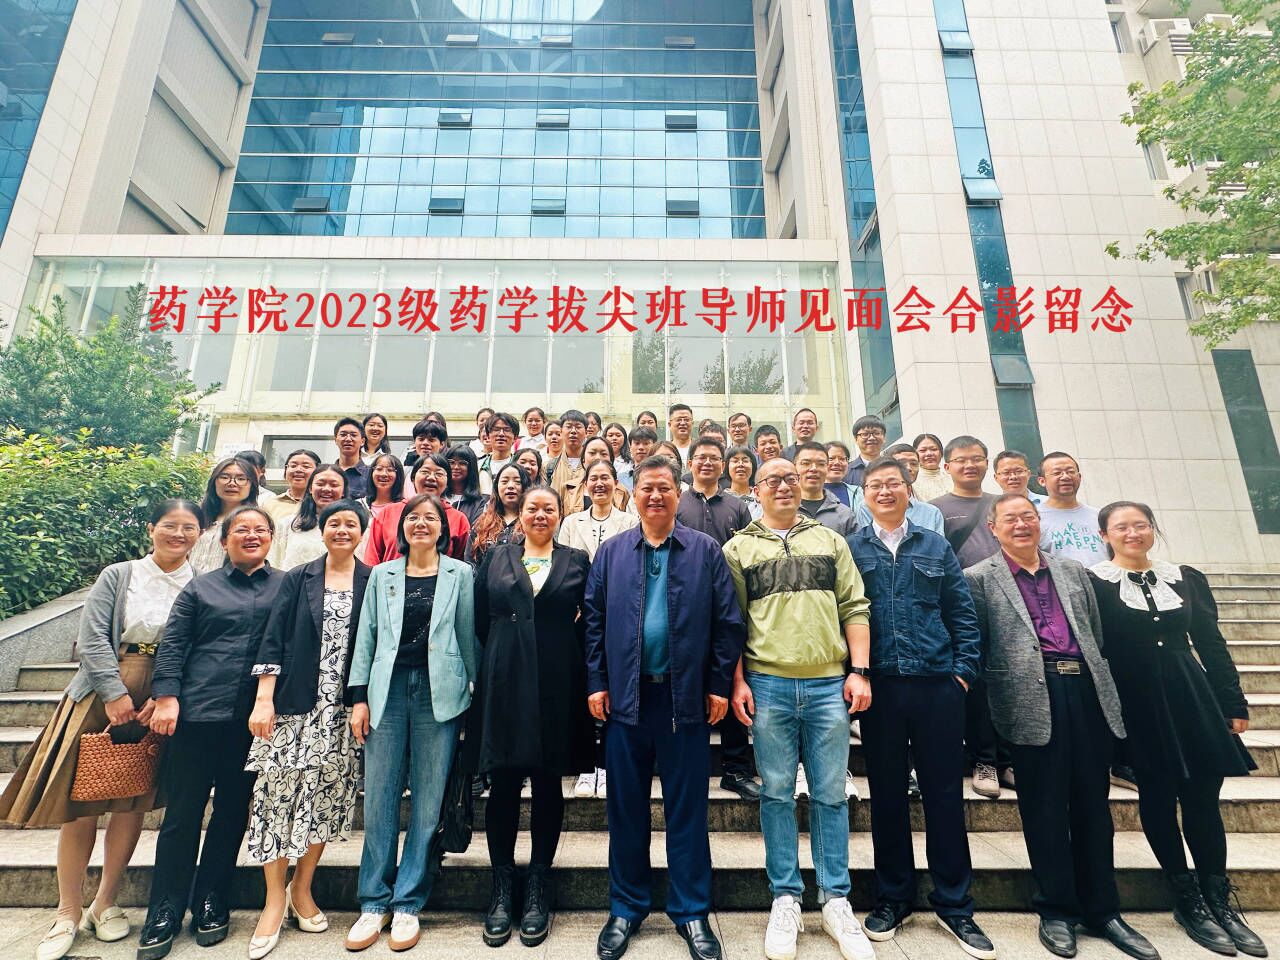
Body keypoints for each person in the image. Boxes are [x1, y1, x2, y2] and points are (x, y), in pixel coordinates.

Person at [0, 500, 202, 960]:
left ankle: (105, 901)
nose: (178, 534)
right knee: (82, 804)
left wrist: (165, 695)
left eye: (188, 527)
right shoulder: (119, 574)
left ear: (200, 533)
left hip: (161, 695)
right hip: (100, 691)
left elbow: (197, 645)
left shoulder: (199, 582)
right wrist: (114, 694)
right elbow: (93, 637)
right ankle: (66, 910)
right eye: (169, 525)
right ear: (151, 528)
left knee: (131, 803)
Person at [965, 495, 1157, 960]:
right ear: (993, 528)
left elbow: (1094, 633)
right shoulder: (978, 579)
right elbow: (981, 647)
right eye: (1010, 519)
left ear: (1040, 522)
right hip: (1029, 698)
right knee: (1044, 809)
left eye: (1028, 517)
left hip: (1086, 692)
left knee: (1094, 807)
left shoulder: (1073, 571)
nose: (1021, 525)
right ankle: (1055, 910)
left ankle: (1104, 910)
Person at [584, 456, 745, 960]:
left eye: (664, 488)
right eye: (646, 488)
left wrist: (718, 684)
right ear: (633, 495)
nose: (655, 496)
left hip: (685, 701)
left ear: (679, 494)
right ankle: (626, 908)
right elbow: (593, 620)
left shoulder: (705, 551)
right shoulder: (611, 553)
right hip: (626, 702)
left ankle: (692, 911)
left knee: (688, 813)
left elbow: (728, 623)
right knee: (626, 811)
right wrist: (597, 682)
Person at [1090, 502, 1265, 958]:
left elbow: (1211, 642)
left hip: (1191, 695)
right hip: (1138, 701)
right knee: (1158, 797)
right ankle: (1186, 898)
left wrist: (1232, 701)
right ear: (1105, 535)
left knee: (1204, 798)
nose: (1133, 533)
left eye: (1141, 525)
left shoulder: (1184, 577)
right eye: (1121, 527)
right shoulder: (1095, 583)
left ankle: (1219, 899)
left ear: (1153, 529)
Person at [725, 456, 874, 960]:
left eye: (791, 477)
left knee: (831, 794)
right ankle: (786, 897)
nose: (784, 485)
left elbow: (855, 605)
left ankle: (836, 900)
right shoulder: (738, 548)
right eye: (773, 480)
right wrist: (738, 681)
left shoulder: (830, 541)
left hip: (829, 684)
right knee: (776, 794)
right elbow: (732, 622)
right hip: (768, 684)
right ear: (756, 490)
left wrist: (859, 670)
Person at [845, 459, 994, 958]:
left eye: (893, 484)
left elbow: (961, 612)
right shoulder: (852, 548)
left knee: (944, 796)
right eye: (874, 485)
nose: (884, 491)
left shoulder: (934, 545)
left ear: (910, 491)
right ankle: (894, 898)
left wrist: (962, 673)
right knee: (887, 796)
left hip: (937, 686)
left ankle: (955, 904)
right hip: (881, 689)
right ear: (864, 495)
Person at [137, 506, 283, 960]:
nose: (251, 536)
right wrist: (166, 696)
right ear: (224, 541)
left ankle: (211, 899)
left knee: (231, 814)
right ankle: (164, 908)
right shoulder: (202, 587)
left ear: (271, 538)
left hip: (251, 723)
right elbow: (174, 644)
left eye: (260, 530)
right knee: (182, 815)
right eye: (242, 530)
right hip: (197, 715)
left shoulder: (286, 586)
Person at [344, 493, 477, 952]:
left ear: (444, 528)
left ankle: (408, 902)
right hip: (387, 692)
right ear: (401, 527)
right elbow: (366, 637)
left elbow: (467, 635)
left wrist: (472, 696)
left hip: (440, 694)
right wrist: (358, 698)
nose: (421, 524)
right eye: (413, 517)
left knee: (427, 800)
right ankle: (373, 901)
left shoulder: (461, 574)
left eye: (430, 518)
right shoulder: (382, 574)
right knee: (380, 797)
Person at [243, 500, 371, 959]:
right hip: (293, 707)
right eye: (334, 523)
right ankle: (273, 900)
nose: (342, 530)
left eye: (351, 524)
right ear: (322, 529)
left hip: (342, 713)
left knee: (325, 800)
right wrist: (264, 698)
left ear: (363, 532)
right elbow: (273, 636)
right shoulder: (299, 577)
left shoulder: (372, 580)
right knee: (276, 799)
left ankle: (302, 887)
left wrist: (362, 699)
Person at [473, 486, 594, 949]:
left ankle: (539, 884)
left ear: (560, 514)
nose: (540, 515)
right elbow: (480, 619)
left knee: (547, 781)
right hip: (505, 676)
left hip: (556, 679)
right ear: (519, 514)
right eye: (532, 508)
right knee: (504, 782)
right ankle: (503, 886)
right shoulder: (496, 557)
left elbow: (589, 620)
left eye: (549, 508)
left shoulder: (577, 560)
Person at [674, 437, 760, 805]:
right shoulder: (678, 502)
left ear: (722, 467)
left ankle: (736, 769)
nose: (707, 463)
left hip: (728, 603)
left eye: (714, 458)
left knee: (731, 679)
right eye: (701, 457)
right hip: (685, 603)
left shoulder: (737, 506)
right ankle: (684, 763)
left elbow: (749, 549)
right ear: (690, 463)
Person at [931, 436, 1006, 799]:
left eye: (977, 459)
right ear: (947, 467)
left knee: (1009, 679)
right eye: (961, 460)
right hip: (961, 603)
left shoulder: (1002, 504)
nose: (969, 465)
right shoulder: (936, 509)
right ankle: (984, 760)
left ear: (987, 462)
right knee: (974, 682)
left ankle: (1010, 758)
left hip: (1008, 599)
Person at [363, 455, 471, 563]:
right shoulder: (387, 513)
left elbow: (461, 564)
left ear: (447, 482)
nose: (431, 477)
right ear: (413, 478)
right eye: (425, 472)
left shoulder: (459, 519)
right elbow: (371, 560)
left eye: (439, 474)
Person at [852, 443, 945, 535]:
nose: (909, 468)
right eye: (901, 463)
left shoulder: (931, 512)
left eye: (914, 464)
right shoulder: (867, 507)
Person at [270, 465, 349, 571]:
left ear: (343, 491)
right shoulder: (287, 524)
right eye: (320, 484)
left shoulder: (353, 528)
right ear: (310, 488)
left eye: (334, 485)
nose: (326, 489)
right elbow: (274, 562)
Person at [190, 456, 259, 574]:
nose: (232, 483)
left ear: (251, 486)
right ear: (214, 482)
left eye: (241, 478)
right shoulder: (196, 517)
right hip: (189, 583)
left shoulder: (256, 522)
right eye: (224, 477)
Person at [559, 460, 639, 561]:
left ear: (615, 483)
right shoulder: (570, 523)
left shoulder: (631, 523)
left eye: (604, 478)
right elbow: (563, 562)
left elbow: (633, 560)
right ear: (585, 485)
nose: (599, 484)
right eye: (593, 479)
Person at [1037, 452, 1107, 567]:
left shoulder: (1100, 516)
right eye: (1057, 473)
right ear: (1042, 481)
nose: (1065, 477)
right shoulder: (1034, 519)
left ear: (1079, 477)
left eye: (1070, 471)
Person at [466, 462, 529, 565]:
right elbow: (470, 562)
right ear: (496, 487)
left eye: (517, 482)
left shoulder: (532, 523)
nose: (510, 486)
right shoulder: (481, 523)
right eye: (504, 481)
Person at [793, 442, 858, 537]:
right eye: (806, 463)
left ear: (827, 468)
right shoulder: (783, 510)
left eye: (821, 464)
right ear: (794, 467)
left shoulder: (845, 514)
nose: (814, 469)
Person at [263, 450, 320, 527]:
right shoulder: (270, 503)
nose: (298, 470)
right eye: (293, 466)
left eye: (306, 466)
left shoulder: (322, 503)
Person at [545, 409, 588, 504]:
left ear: (586, 432)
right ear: (561, 431)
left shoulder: (593, 466)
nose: (573, 431)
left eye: (578, 427)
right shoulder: (549, 466)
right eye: (568, 427)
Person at [444, 444, 491, 524]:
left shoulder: (480, 503)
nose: (456, 467)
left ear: (471, 468)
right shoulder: (437, 496)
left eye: (462, 463)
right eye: (451, 462)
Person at [333, 418, 372, 501]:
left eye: (353, 435)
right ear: (335, 440)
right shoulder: (327, 473)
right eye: (343, 435)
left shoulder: (371, 475)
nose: (348, 439)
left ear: (362, 441)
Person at [362, 453, 406, 522]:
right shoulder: (360, 505)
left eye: (390, 470)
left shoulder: (405, 508)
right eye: (379, 469)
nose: (384, 474)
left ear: (398, 476)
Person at [725, 445, 764, 520]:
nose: (740, 464)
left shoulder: (762, 499)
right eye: (735, 461)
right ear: (726, 466)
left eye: (745, 461)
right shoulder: (719, 500)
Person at [845, 416, 886, 486]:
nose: (871, 438)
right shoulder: (846, 471)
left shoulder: (895, 468)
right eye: (865, 434)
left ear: (884, 437)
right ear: (856, 439)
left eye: (876, 433)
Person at [479, 412, 520, 481]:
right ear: (488, 436)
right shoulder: (479, 465)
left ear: (515, 437)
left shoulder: (520, 465)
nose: (501, 434)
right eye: (496, 429)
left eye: (507, 430)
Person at [913, 433, 953, 502]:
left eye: (934, 449)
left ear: (941, 453)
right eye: (923, 450)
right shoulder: (912, 482)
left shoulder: (952, 477)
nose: (929, 453)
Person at [824, 441, 859, 507]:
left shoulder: (858, 493)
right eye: (831, 458)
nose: (837, 462)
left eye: (842, 459)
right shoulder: (809, 492)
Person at [622, 426, 657, 491]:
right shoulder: (621, 477)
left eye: (646, 443)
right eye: (637, 443)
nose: (641, 447)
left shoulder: (661, 474)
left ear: (654, 446)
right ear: (630, 447)